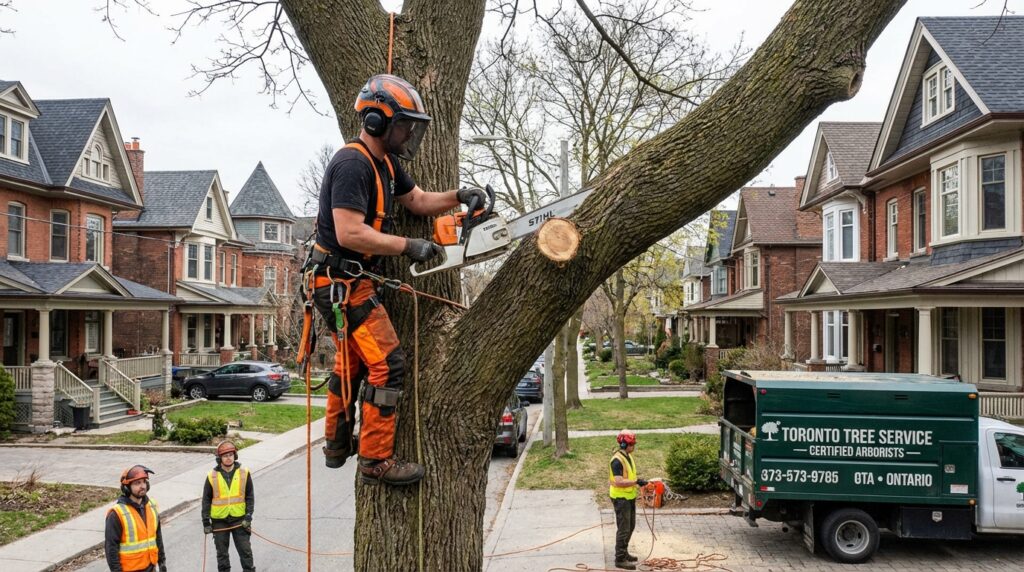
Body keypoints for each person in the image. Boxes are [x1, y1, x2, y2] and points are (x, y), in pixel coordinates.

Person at [310, 73, 485, 486]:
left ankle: (336, 444)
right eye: (403, 124)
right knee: (388, 365)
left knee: (351, 363)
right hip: (340, 283)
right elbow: (350, 232)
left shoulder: (386, 163)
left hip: (347, 281)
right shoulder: (353, 164)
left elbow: (419, 201)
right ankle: (375, 461)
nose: (409, 132)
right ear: (375, 122)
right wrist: (408, 245)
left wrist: (460, 195)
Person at [201, 441, 255, 572]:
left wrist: (248, 516)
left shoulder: (244, 473)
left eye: (231, 454)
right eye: (225, 455)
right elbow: (206, 500)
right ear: (219, 458)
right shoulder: (211, 476)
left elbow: (250, 496)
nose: (228, 457)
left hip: (239, 519)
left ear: (235, 456)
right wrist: (206, 522)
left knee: (246, 553)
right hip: (219, 522)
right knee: (222, 556)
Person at [105, 465, 166, 572]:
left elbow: (158, 537)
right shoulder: (116, 514)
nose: (142, 486)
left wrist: (162, 562)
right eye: (137, 483)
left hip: (151, 567)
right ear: (126, 487)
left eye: (144, 482)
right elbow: (111, 550)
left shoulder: (152, 506)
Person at [609, 429, 648, 570]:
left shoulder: (628, 456)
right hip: (621, 498)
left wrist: (637, 482)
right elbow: (619, 481)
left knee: (630, 527)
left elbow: (629, 476)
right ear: (625, 445)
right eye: (632, 444)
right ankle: (619, 559)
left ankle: (624, 553)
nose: (634, 446)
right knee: (624, 529)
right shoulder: (616, 461)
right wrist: (636, 481)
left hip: (629, 497)